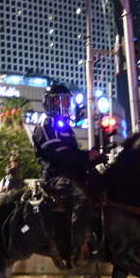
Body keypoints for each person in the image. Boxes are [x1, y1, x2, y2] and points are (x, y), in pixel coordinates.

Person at [31, 83, 100, 266]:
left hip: (71, 173)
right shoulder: (46, 124)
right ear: (49, 103)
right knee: (83, 198)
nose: (62, 105)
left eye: (65, 101)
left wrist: (93, 158)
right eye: (58, 101)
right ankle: (76, 247)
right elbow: (59, 156)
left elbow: (73, 155)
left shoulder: (64, 126)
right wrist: (86, 155)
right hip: (56, 176)